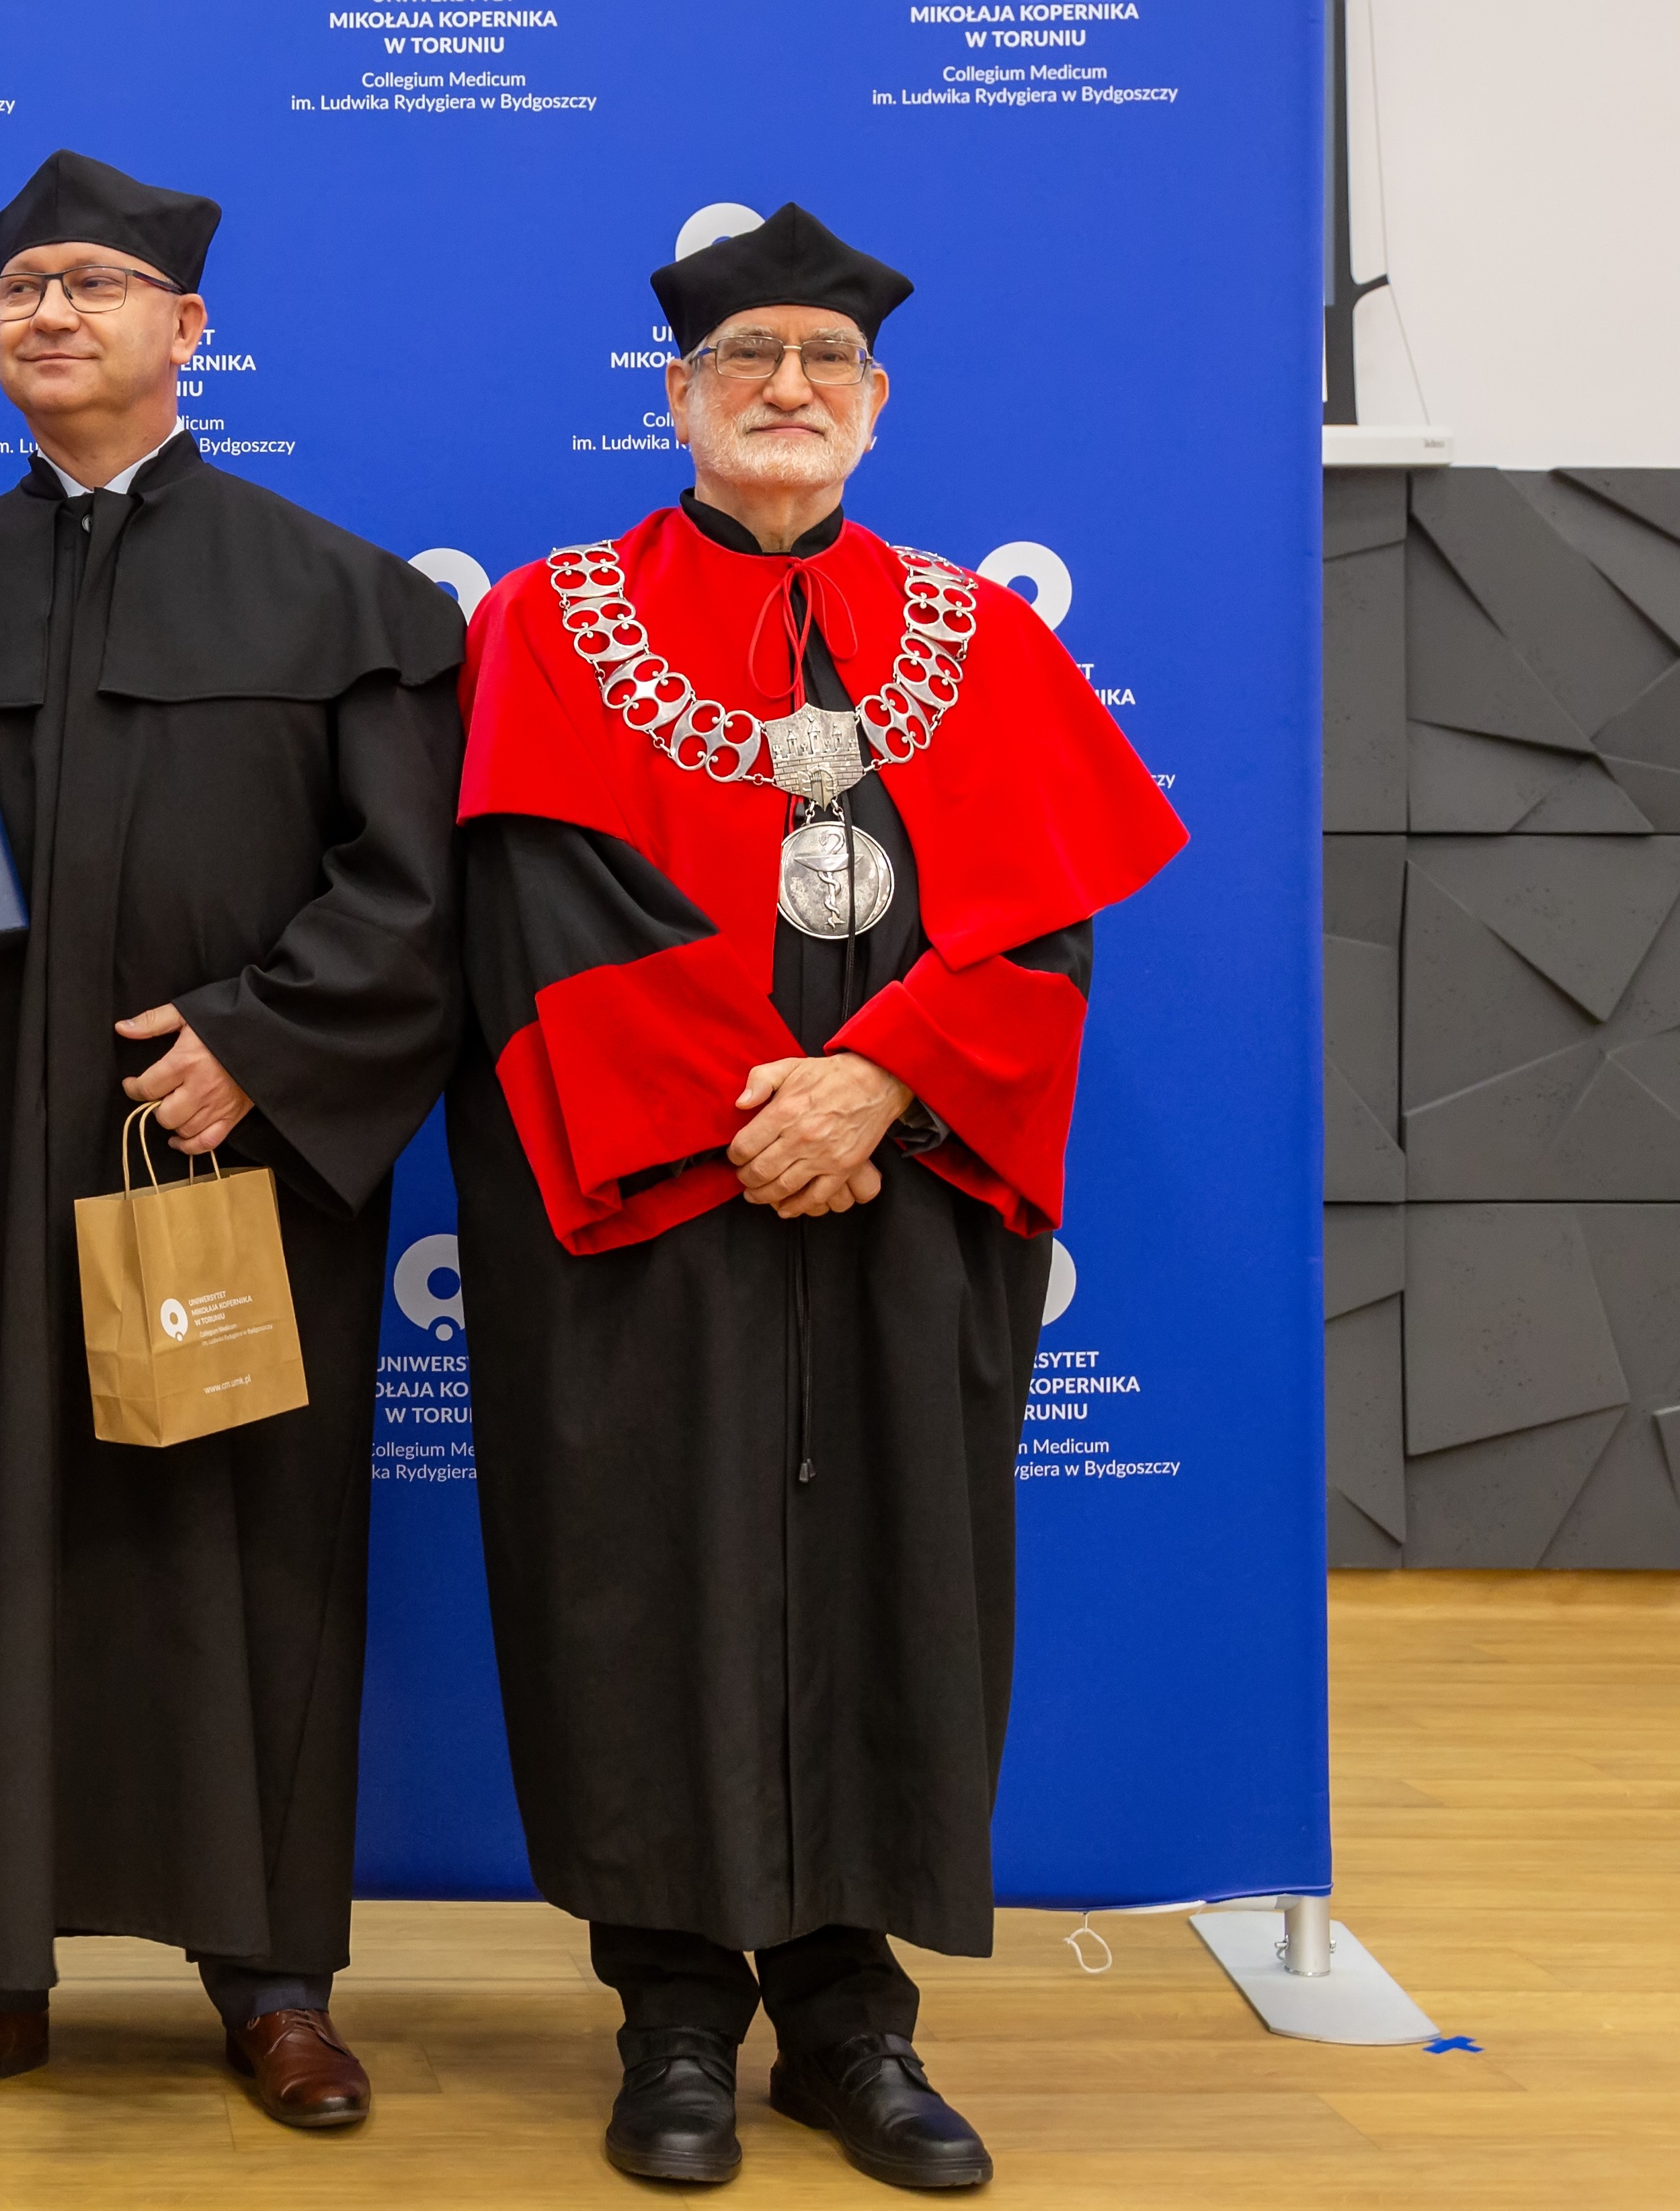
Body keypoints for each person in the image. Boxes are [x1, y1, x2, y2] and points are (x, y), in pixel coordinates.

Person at [446, 204, 1187, 2190]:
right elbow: (539, 909)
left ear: (877, 403)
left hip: (908, 1186)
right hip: (645, 1203)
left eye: (825, 364)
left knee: (897, 1568)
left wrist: (881, 1079)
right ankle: (674, 2019)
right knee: (644, 1567)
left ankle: (854, 2026)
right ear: (678, 398)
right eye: (746, 361)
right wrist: (743, 1119)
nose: (788, 390)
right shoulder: (552, 623)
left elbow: (1044, 924)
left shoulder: (980, 638)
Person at [0, 149, 465, 2130]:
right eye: (20, 290)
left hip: (225, 1153)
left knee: (258, 1545)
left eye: (94, 284)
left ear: (187, 325)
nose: (51, 313)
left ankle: (277, 1981)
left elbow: (416, 897)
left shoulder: (339, 593)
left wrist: (262, 1046)